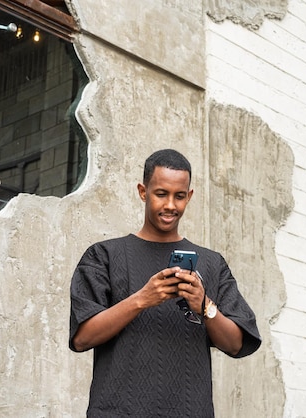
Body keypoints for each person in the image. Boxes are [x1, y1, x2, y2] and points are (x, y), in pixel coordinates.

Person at [69, 149, 261, 417]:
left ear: (189, 197)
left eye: (179, 196)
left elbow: (237, 345)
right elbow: (81, 338)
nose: (171, 205)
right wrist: (142, 299)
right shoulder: (103, 256)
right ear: (143, 191)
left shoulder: (212, 263)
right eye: (161, 194)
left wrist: (204, 306)